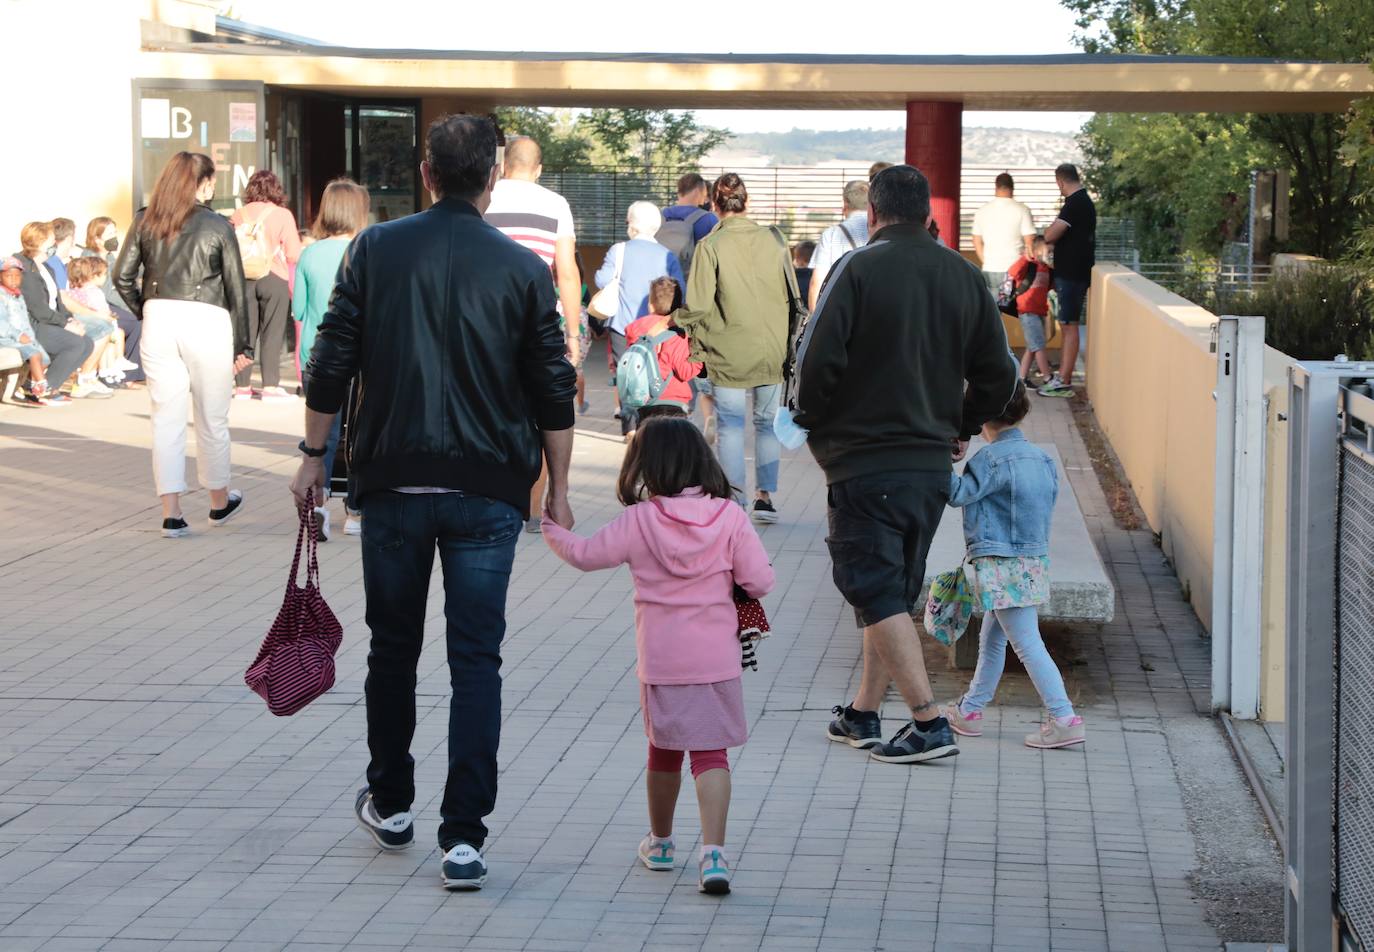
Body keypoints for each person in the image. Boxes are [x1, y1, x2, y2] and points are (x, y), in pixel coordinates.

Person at [290, 114, 578, 892]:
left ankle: (390, 802)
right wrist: (556, 487)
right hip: (489, 489)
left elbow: (331, 357)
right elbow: (554, 382)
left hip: (391, 482)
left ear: (425, 173)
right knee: (476, 659)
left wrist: (313, 457)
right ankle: (464, 838)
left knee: (393, 650)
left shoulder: (377, 250)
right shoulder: (521, 268)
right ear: (491, 178)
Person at [790, 164, 1019, 764]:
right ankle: (865, 712)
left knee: (870, 585)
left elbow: (813, 364)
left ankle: (926, 721)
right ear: (928, 215)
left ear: (873, 211)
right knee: (887, 587)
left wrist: (812, 422)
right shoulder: (965, 278)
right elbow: (1000, 375)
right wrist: (962, 426)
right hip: (928, 466)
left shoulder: (856, 268)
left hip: (864, 459)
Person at [540, 416, 775, 895]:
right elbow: (761, 582)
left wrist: (550, 525)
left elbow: (585, 555)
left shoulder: (640, 519)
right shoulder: (730, 515)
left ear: (645, 464)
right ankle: (714, 856)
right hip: (717, 657)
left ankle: (662, 843)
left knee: (663, 749)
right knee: (711, 753)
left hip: (663, 658)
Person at [940, 383, 1086, 749]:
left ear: (980, 417)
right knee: (993, 639)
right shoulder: (1043, 459)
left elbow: (956, 495)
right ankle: (970, 711)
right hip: (1031, 561)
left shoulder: (989, 460)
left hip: (1000, 564)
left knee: (1026, 643)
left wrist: (942, 458)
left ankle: (1064, 717)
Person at [114, 151, 252, 537]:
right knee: (212, 416)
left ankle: (171, 512)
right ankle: (218, 501)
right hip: (207, 318)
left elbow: (121, 276)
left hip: (159, 317)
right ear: (203, 183)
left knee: (166, 417)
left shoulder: (145, 218)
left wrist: (147, 309)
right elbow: (236, 289)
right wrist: (244, 346)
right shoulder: (217, 225)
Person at [673, 173, 797, 526]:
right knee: (766, 423)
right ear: (747, 202)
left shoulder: (711, 246)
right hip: (772, 347)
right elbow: (792, 296)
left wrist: (673, 320)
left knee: (729, 424)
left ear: (714, 205)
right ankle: (765, 498)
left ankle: (735, 498)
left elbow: (696, 304)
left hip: (726, 348)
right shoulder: (775, 240)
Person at [483, 135, 584, 531]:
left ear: (503, 166)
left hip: (489, 322)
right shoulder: (555, 203)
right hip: (540, 321)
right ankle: (536, 504)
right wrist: (573, 333)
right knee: (544, 410)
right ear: (539, 169)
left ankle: (496, 491)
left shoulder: (487, 197)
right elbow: (567, 271)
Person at [293, 177, 371, 540]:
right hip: (358, 360)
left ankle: (317, 503)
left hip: (316, 356)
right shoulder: (366, 249)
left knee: (319, 438)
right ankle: (354, 512)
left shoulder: (309, 254)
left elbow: (298, 310)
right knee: (356, 435)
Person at [595, 201, 685, 438]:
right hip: (659, 328)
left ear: (632, 225)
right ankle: (654, 420)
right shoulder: (668, 255)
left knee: (626, 374)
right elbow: (680, 289)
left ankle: (630, 427)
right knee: (656, 371)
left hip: (623, 327)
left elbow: (602, 280)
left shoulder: (619, 250)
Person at [230, 169, 302, 401]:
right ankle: (270, 386)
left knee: (245, 333)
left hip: (244, 278)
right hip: (274, 277)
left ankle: (242, 386)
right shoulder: (282, 215)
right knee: (272, 332)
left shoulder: (238, 214)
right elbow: (293, 254)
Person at [15, 221, 96, 399]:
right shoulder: (24, 268)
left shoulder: (47, 267)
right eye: (51, 242)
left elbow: (58, 302)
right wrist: (65, 325)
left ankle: (48, 385)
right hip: (33, 325)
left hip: (50, 321)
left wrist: (70, 319)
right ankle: (43, 389)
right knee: (74, 344)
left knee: (87, 343)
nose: (54, 246)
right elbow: (38, 309)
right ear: (39, 243)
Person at [1041, 163, 1096, 397]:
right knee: (1066, 325)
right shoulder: (1081, 202)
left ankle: (1063, 380)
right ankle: (1062, 376)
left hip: (1072, 275)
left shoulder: (1076, 203)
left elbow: (1051, 234)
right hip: (1072, 273)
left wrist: (1047, 238)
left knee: (1069, 325)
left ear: (1060, 182)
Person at [623, 276, 702, 427]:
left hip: (644, 402)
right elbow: (684, 372)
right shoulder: (680, 332)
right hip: (674, 401)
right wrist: (699, 358)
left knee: (649, 448)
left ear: (651, 305)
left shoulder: (635, 329)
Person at [81, 217, 144, 385]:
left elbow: (125, 275)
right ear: (97, 238)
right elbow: (107, 291)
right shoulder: (90, 258)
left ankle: (131, 374)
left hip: (113, 304)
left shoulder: (109, 256)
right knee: (136, 322)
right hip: (98, 307)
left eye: (114, 232)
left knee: (139, 320)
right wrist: (133, 307)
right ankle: (129, 376)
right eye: (109, 233)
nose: (114, 237)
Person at [66, 257, 139, 388]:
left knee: (109, 347)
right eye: (104, 274)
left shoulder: (75, 291)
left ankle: (107, 373)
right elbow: (101, 310)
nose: (106, 278)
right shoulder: (94, 292)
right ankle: (118, 360)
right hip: (98, 323)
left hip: (89, 322)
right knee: (118, 334)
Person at [0, 255, 56, 405]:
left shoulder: (18, 295)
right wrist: (18, 335)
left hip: (25, 337)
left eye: (17, 276)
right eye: (8, 276)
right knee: (34, 354)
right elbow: (2, 323)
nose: (13, 279)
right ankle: (41, 385)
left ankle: (25, 386)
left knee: (44, 358)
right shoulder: (1, 296)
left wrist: (31, 338)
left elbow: (24, 321)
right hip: (6, 339)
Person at [807, 179, 870, 312]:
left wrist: (813, 320)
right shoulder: (881, 231)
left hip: (841, 311)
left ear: (846, 203)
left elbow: (816, 282)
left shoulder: (831, 234)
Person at [971, 173, 1036, 298]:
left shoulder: (982, 211)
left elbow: (976, 241)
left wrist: (986, 260)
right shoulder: (1022, 210)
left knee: (993, 311)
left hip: (990, 267)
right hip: (1015, 268)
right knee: (1020, 310)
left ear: (996, 188)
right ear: (1012, 189)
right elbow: (1030, 241)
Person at [1008, 236, 1056, 387]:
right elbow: (1013, 271)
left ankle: (1021, 378)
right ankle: (1048, 379)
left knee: (1032, 346)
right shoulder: (1029, 265)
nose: (1050, 254)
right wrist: (1025, 257)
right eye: (1048, 250)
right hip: (1028, 312)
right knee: (1039, 346)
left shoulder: (1047, 269)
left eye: (1052, 251)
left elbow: (1048, 288)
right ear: (1036, 251)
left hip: (1040, 312)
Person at [659, 172, 720, 275]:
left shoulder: (660, 216)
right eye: (704, 193)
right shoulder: (708, 219)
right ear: (697, 191)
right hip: (691, 282)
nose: (705, 199)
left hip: (662, 282)